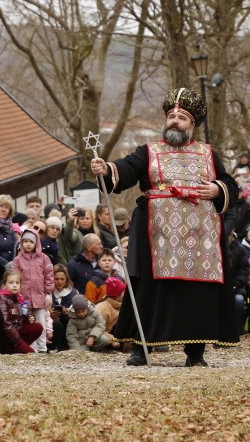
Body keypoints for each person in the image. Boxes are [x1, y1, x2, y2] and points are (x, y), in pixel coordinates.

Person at [90, 87, 240, 367]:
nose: (174, 121)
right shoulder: (149, 151)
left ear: (192, 125)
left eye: (181, 117)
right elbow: (128, 167)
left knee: (196, 294)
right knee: (148, 290)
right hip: (156, 235)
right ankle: (140, 348)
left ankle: (195, 353)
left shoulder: (208, 154)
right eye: (171, 115)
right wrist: (108, 169)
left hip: (200, 239)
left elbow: (232, 186)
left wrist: (217, 189)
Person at [10, 228, 54, 353]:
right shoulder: (18, 260)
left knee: (41, 324)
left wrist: (49, 294)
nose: (28, 244)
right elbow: (14, 278)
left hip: (40, 298)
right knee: (28, 324)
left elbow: (49, 276)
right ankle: (31, 348)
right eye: (25, 241)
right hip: (24, 299)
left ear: (36, 243)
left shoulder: (44, 258)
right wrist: (17, 295)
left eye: (31, 241)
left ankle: (42, 348)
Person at [0, 270, 43, 354]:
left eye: (17, 283)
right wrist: (17, 341)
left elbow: (19, 316)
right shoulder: (1, 299)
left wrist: (28, 318)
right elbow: (5, 324)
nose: (14, 285)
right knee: (31, 353)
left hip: (16, 332)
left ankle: (18, 348)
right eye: (11, 283)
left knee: (37, 327)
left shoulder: (17, 297)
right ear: (4, 285)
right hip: (6, 338)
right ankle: (10, 349)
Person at [49, 265, 78, 352]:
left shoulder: (74, 292)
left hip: (69, 324)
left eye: (62, 279)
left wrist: (68, 312)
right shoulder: (47, 293)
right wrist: (50, 313)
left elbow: (80, 311)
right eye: (56, 279)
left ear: (67, 279)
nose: (59, 282)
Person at [95, 276, 125, 341]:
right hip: (103, 337)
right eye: (123, 291)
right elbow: (97, 329)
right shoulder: (103, 309)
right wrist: (113, 340)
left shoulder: (120, 304)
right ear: (117, 296)